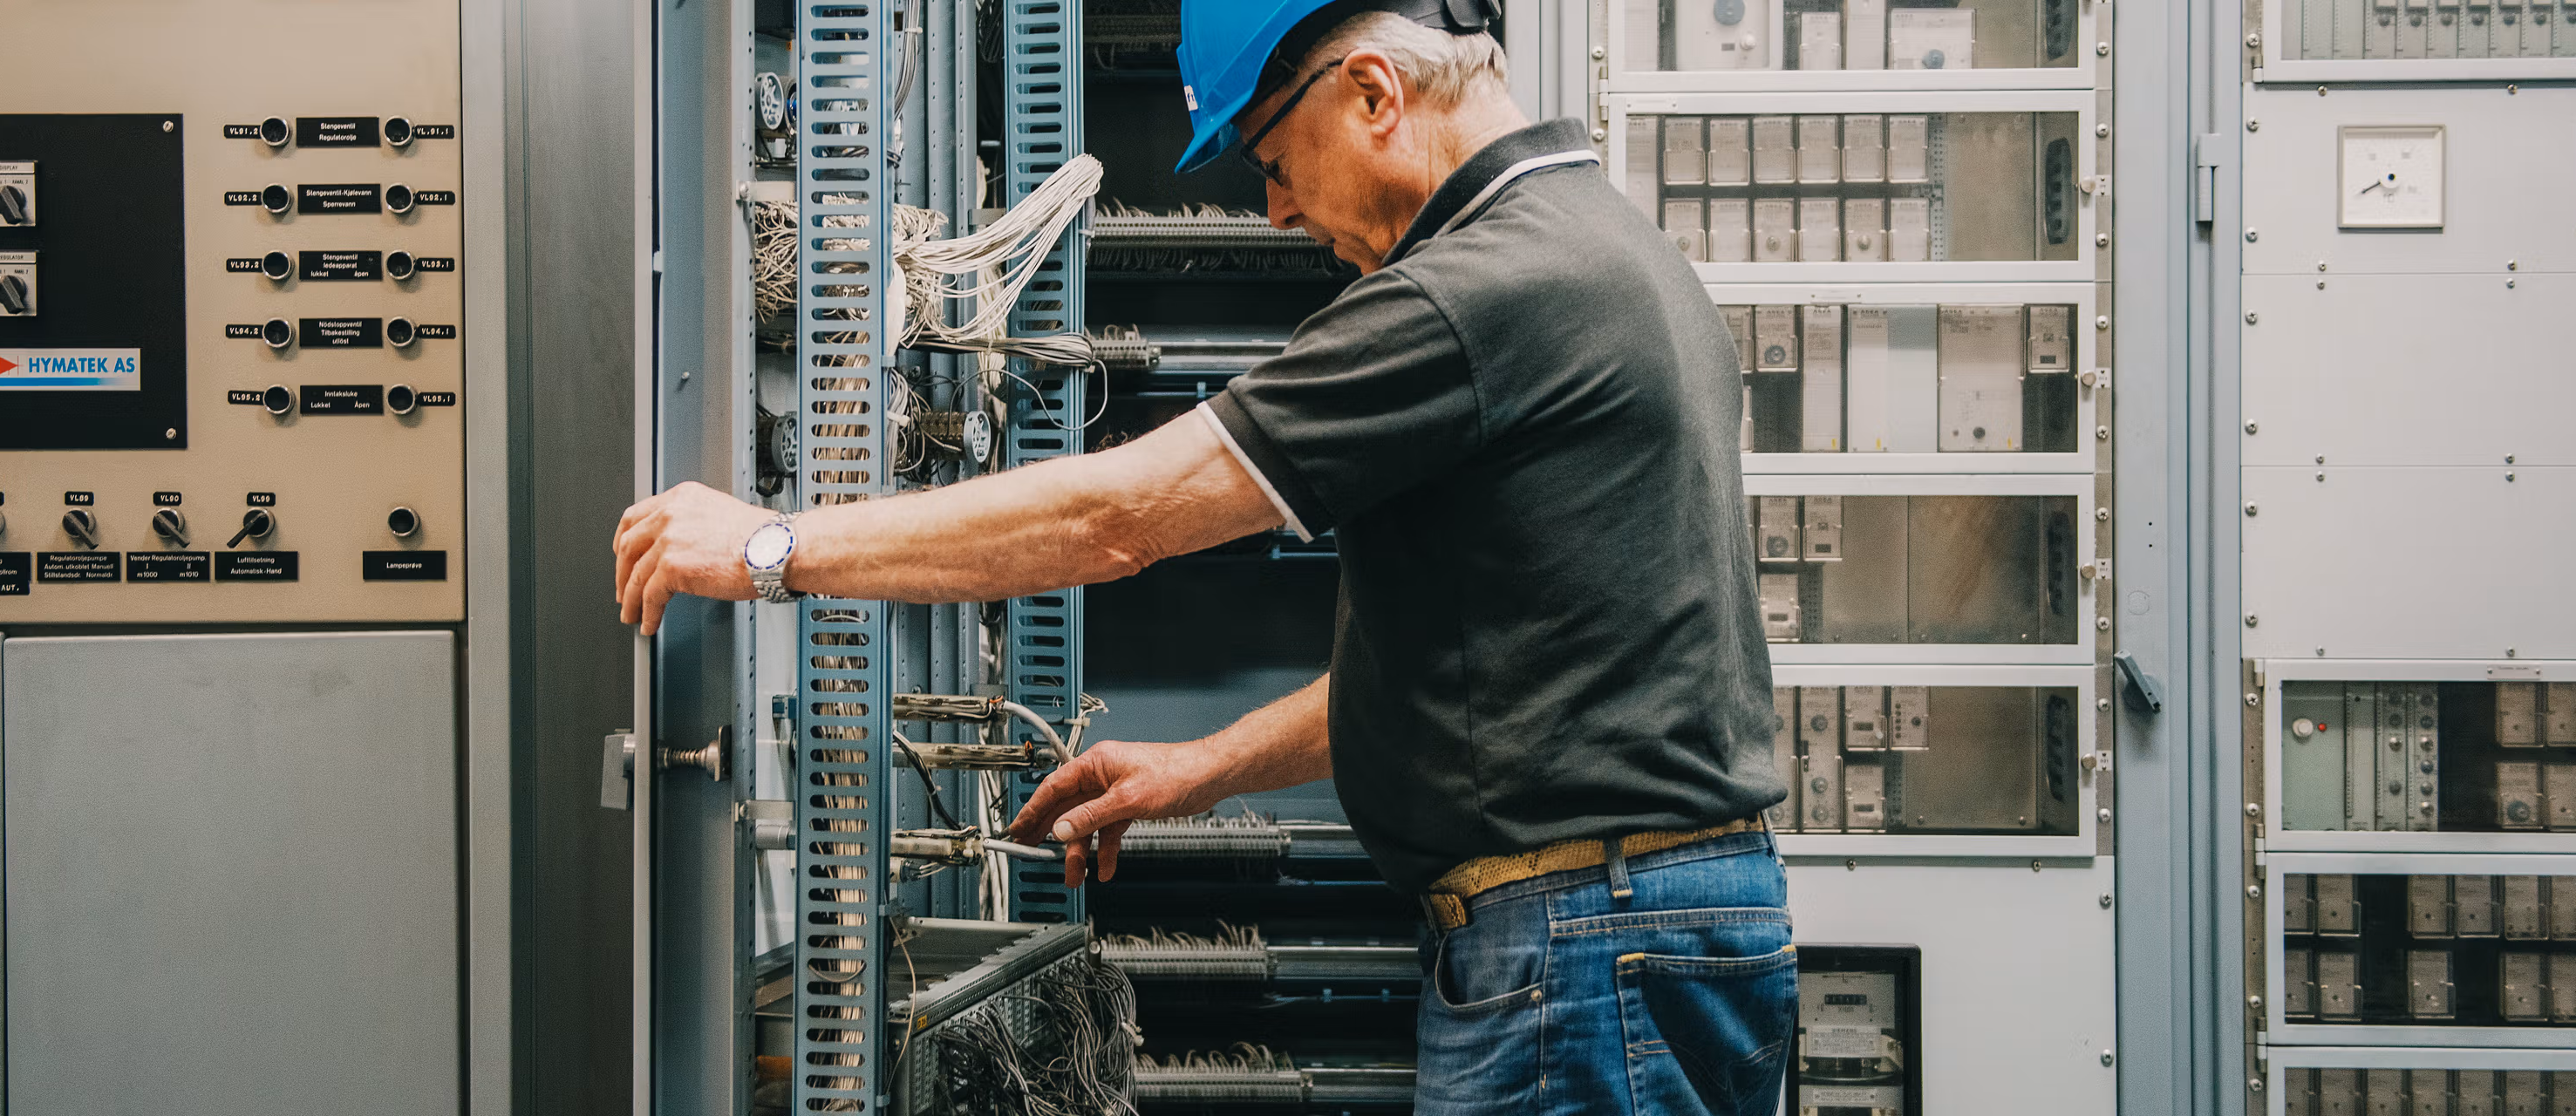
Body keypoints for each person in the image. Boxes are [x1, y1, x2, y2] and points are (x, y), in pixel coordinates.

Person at [610, 0, 1792, 1109]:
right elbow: (1509, 674)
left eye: (1271, 162)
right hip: (1644, 933)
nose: (1276, 210)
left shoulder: (1476, 292)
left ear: (1372, 92)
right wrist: (1203, 770)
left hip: (1583, 948)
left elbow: (1114, 519)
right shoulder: (1607, 248)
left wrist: (771, 544)